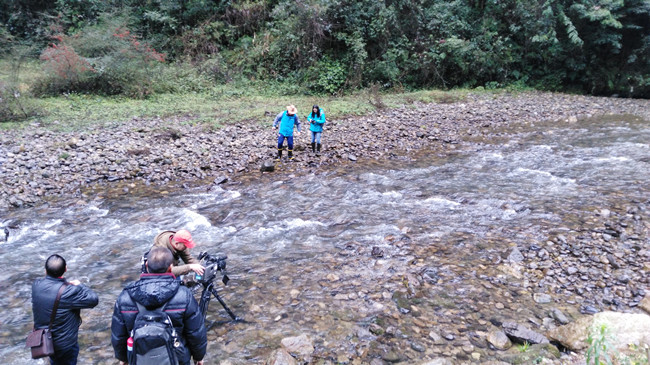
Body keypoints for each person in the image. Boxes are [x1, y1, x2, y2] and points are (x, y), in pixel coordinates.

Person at [111, 247, 208, 365]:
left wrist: (123, 358)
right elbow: (195, 332)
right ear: (171, 267)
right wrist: (198, 356)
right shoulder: (184, 295)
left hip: (139, 359)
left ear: (146, 265)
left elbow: (119, 335)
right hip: (178, 359)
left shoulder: (125, 296)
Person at [31, 254, 99, 365]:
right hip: (64, 344)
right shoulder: (69, 291)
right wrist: (80, 285)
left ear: (45, 271)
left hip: (44, 339)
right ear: (66, 269)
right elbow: (93, 300)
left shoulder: (36, 285)